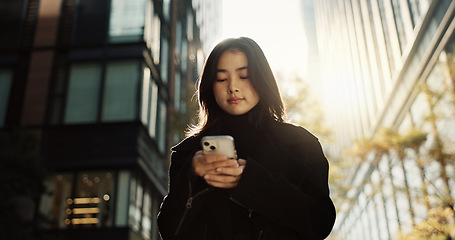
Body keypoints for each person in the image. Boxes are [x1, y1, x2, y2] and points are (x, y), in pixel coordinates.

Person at [157, 37, 336, 240]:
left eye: (244, 76)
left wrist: (252, 182)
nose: (233, 87)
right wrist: (190, 177)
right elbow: (169, 231)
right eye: (222, 78)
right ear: (210, 86)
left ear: (261, 79)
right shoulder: (189, 153)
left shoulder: (300, 144)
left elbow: (321, 221)